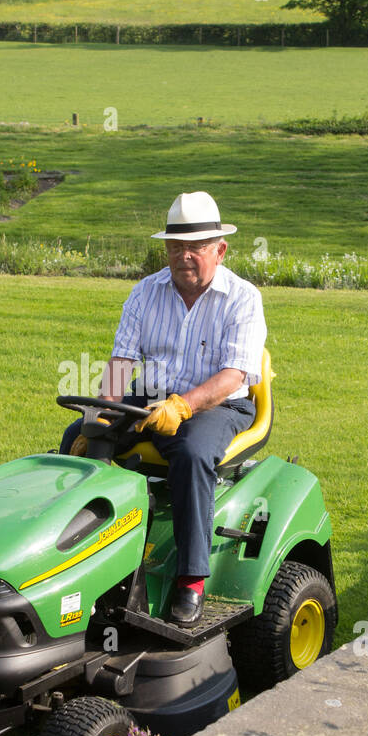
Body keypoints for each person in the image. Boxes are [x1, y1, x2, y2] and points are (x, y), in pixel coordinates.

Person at [61, 191, 267, 626]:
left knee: (191, 454)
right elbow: (121, 363)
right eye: (176, 248)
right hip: (151, 399)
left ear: (220, 250)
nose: (184, 257)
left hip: (219, 405)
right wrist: (100, 415)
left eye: (195, 248)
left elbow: (234, 377)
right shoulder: (144, 292)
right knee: (76, 437)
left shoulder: (243, 299)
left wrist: (183, 406)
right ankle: (73, 554)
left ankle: (191, 578)